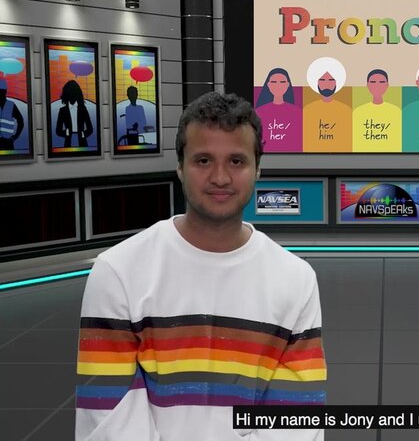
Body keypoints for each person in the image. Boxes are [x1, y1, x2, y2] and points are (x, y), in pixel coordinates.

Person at [76, 92, 326, 440]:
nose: (220, 178)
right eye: (203, 160)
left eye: (236, 161)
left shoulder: (296, 280)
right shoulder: (117, 273)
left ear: (258, 168)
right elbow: (107, 416)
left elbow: (296, 418)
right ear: (180, 167)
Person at [302, 56, 351, 152]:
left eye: (331, 80)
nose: (327, 84)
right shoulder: (308, 110)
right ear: (316, 82)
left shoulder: (346, 110)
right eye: (322, 80)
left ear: (337, 82)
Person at [352, 69, 402, 152]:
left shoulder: (396, 112)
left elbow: (397, 141)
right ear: (367, 85)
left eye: (382, 82)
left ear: (387, 85)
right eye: (373, 82)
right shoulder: (358, 112)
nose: (377, 85)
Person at [255, 67, 302, 152]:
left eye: (282, 82)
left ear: (287, 85)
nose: (278, 85)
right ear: (268, 85)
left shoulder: (297, 112)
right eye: (274, 82)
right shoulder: (259, 112)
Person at [55, 79, 93, 148]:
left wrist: (83, 134)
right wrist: (67, 132)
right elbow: (58, 131)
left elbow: (90, 128)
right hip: (68, 143)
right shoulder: (63, 110)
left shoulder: (83, 109)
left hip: (82, 142)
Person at [0, 78, 24, 150]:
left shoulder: (11, 105)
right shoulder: (11, 105)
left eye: (2, 91)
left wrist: (15, 136)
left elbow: (21, 121)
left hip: (7, 142)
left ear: (5, 91)